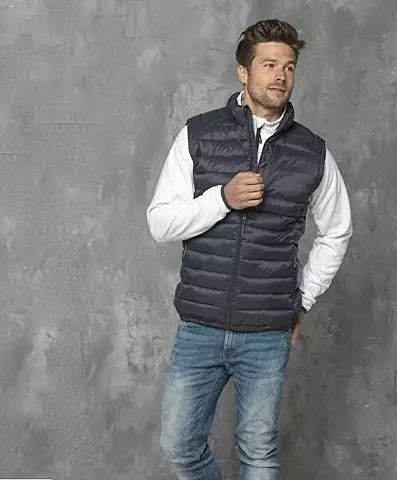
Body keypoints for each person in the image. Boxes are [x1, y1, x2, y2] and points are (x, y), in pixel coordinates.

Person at [147, 18, 352, 480]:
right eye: (269, 65)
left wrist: (303, 299)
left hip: (266, 334)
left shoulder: (312, 152)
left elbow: (337, 231)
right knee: (179, 445)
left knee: (258, 453)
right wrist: (221, 198)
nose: (281, 75)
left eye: (289, 66)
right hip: (199, 327)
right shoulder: (199, 134)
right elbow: (160, 222)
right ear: (244, 72)